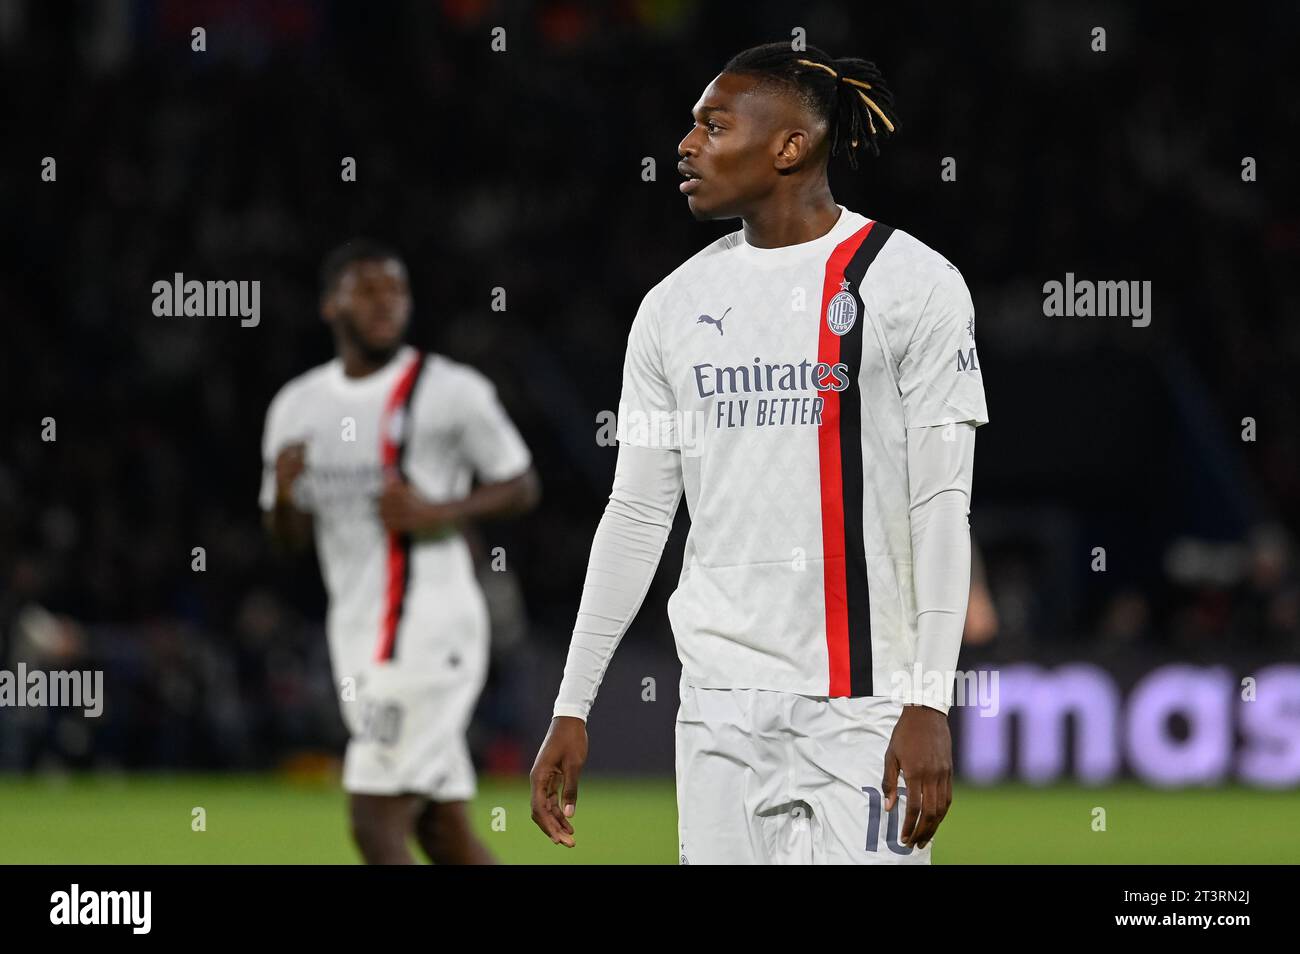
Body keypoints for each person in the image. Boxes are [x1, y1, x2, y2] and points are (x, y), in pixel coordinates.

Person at [531, 42, 988, 864]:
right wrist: (573, 703)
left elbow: (940, 504)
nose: (686, 144)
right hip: (716, 708)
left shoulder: (912, 284)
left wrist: (928, 698)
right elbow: (637, 513)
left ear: (790, 146)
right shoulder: (672, 307)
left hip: (864, 704)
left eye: (713, 124)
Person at [262, 239, 540, 864]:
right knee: (443, 832)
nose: (386, 303)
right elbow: (286, 541)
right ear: (332, 305)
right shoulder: (297, 407)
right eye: (368, 290)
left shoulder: (449, 390)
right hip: (358, 631)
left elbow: (521, 483)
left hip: (430, 628)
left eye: (396, 290)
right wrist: (283, 496)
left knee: (373, 817)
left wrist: (440, 510)